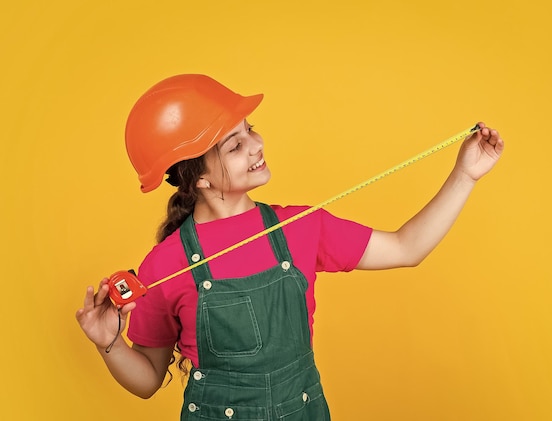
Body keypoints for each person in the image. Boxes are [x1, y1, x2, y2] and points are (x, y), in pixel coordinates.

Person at [75, 74, 504, 420]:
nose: (257, 146)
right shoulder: (163, 265)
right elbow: (148, 380)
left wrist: (465, 175)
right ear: (199, 178)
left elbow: (406, 248)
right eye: (235, 145)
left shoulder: (301, 227)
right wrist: (107, 344)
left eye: (251, 132)